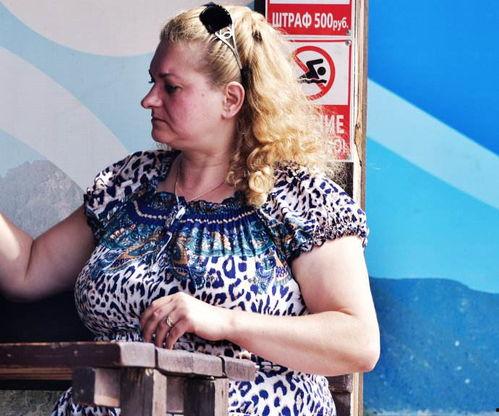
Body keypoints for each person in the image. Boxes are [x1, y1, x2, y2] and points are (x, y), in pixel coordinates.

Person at [0, 4, 379, 415]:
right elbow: (27, 270)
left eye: (171, 87)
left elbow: (357, 341)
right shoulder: (130, 184)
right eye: (152, 83)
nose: (149, 100)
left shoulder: (299, 198)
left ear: (230, 99)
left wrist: (225, 321)